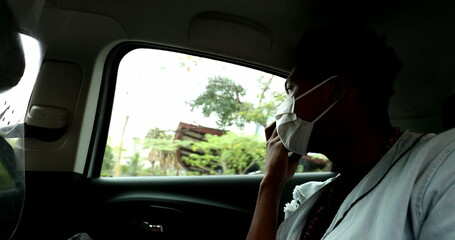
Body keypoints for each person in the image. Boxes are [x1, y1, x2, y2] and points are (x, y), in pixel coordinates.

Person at [246, 24, 455, 240]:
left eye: (291, 90)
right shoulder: (318, 196)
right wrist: (272, 182)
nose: (284, 106)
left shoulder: (442, 163)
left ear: (334, 91)